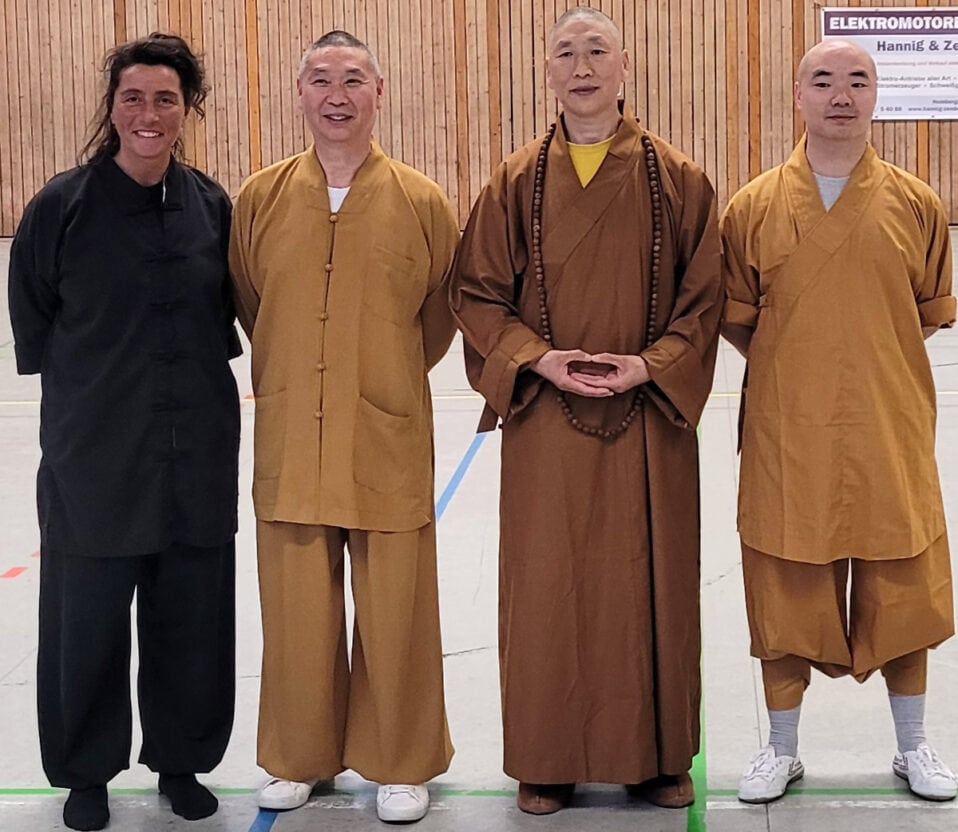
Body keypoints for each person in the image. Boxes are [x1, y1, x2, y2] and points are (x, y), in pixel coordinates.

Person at [449, 7, 722, 815]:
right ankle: (548, 753)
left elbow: (705, 302)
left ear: (625, 66)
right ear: (547, 74)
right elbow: (475, 294)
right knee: (547, 586)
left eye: (596, 51)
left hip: (648, 418)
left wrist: (652, 364)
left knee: (654, 584)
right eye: (565, 53)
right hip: (546, 418)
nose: (582, 66)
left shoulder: (679, 177)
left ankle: (657, 755)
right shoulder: (512, 181)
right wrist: (539, 359)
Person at [7, 33, 240, 832]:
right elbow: (34, 330)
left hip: (195, 456)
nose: (148, 113)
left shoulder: (212, 207)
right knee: (87, 625)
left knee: (191, 621)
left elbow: (223, 326)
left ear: (188, 111)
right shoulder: (58, 209)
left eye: (165, 99)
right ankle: (86, 772)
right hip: (95, 460)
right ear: (111, 108)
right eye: (133, 97)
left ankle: (182, 760)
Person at [229, 30, 458, 824]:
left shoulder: (423, 202)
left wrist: (375, 377)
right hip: (292, 436)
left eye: (353, 78)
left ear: (379, 92)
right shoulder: (258, 199)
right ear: (299, 93)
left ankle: (400, 762)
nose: (337, 93)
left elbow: (436, 321)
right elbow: (253, 306)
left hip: (386, 433)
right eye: (321, 79)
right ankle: (300, 757)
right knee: (295, 606)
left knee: (397, 605)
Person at [721, 39, 957, 805]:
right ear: (798, 95)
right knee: (786, 576)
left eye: (859, 80)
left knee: (902, 578)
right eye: (823, 80)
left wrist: (861, 359)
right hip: (788, 427)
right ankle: (781, 749)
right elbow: (737, 317)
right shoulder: (753, 205)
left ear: (876, 95)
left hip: (888, 419)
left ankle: (914, 746)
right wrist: (805, 364)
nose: (841, 95)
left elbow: (925, 312)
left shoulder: (918, 203)